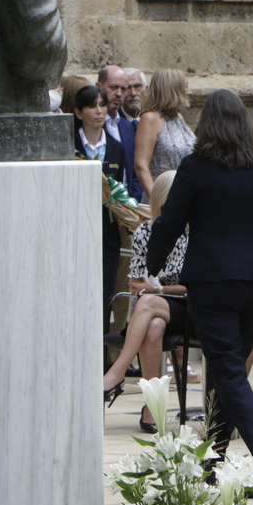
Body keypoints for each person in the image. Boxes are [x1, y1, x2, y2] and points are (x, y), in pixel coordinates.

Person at [146, 89, 253, 489]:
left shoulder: (195, 167)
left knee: (226, 369)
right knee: (228, 370)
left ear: (207, 124)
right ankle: (213, 462)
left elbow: (169, 222)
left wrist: (152, 268)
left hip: (212, 281)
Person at [102, 172, 189, 433]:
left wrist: (157, 287)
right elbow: (136, 283)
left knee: (149, 302)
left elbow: (195, 286)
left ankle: (116, 373)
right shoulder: (145, 231)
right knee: (153, 326)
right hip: (150, 311)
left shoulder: (194, 232)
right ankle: (153, 406)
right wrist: (147, 288)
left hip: (187, 307)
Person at [74, 84, 128, 317]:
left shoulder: (117, 148)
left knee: (105, 295)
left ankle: (102, 352)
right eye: (91, 106)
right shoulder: (69, 145)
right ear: (78, 113)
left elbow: (122, 187)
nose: (99, 111)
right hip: (75, 229)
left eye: (102, 105)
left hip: (106, 233)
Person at [134, 68, 195, 194]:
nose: (190, 92)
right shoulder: (150, 119)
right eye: (185, 87)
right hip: (162, 197)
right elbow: (141, 166)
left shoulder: (178, 117)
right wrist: (157, 202)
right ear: (172, 89)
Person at [98, 64, 141, 199]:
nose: (118, 93)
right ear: (99, 86)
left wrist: (134, 198)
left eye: (123, 89)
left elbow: (134, 170)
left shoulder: (126, 126)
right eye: (113, 87)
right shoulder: (91, 124)